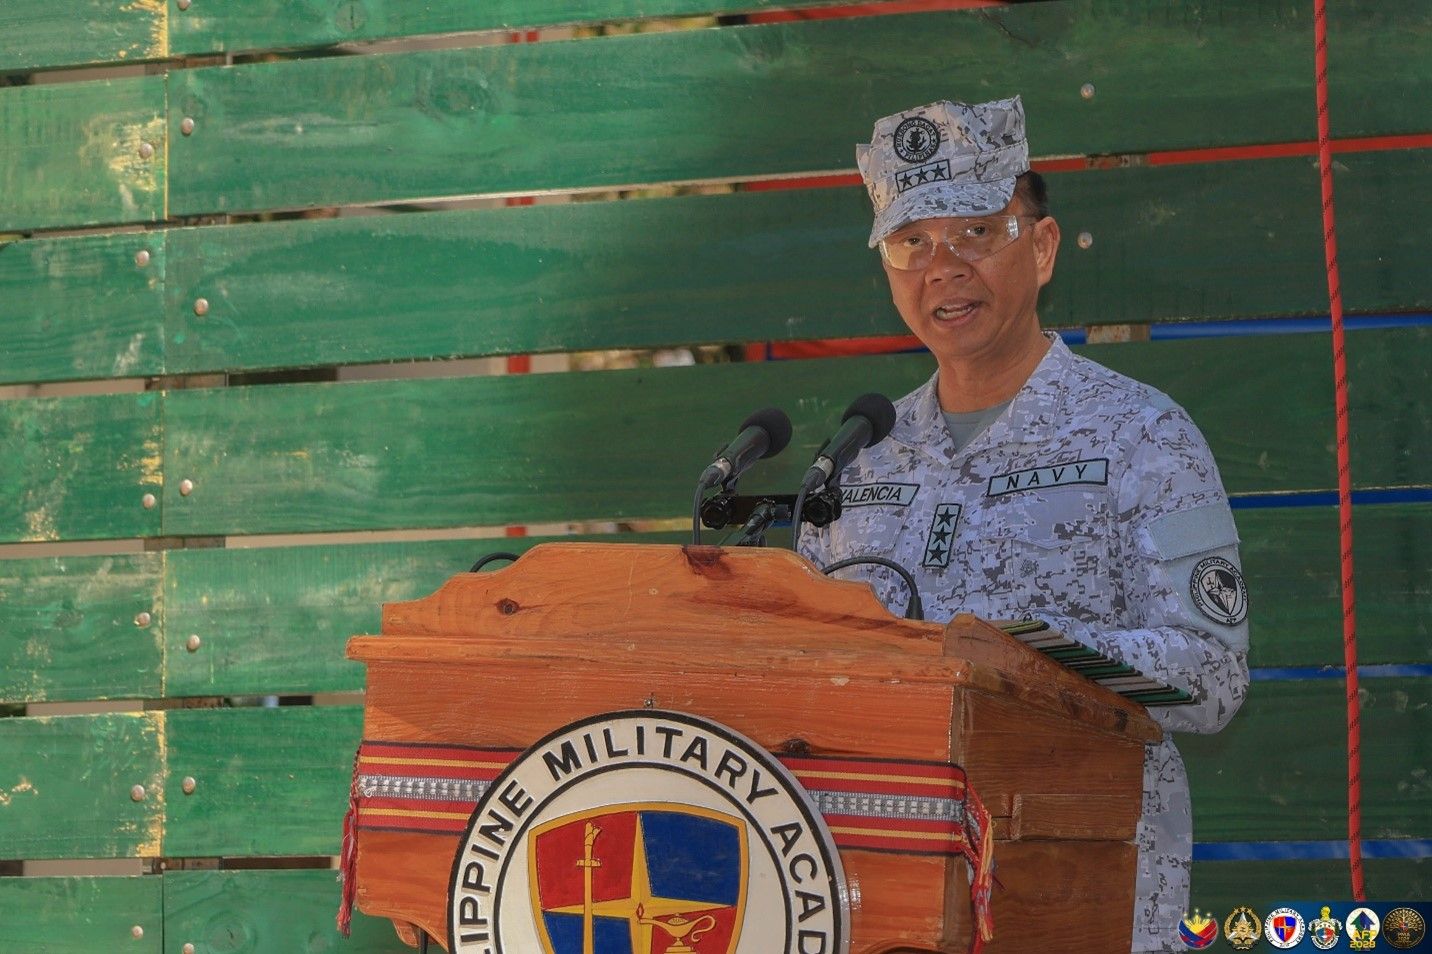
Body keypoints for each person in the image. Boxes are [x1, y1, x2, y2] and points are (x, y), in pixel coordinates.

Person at [797, 96, 1250, 952]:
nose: (942, 266)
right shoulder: (860, 459)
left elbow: (1213, 678)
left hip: (1081, 896)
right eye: (911, 243)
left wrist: (1023, 655)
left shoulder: (1142, 435)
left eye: (974, 231)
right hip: (885, 904)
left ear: (1041, 248)